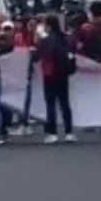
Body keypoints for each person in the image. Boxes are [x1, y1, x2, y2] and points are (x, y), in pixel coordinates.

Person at [31, 14, 77, 145]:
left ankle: (52, 133)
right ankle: (69, 132)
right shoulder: (66, 39)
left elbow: (36, 57)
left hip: (50, 74)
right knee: (65, 103)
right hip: (63, 74)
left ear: (49, 26)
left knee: (50, 104)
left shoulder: (46, 41)